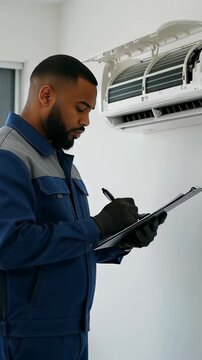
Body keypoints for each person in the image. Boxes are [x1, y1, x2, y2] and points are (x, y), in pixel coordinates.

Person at [0, 54, 166, 360]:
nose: (87, 121)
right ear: (46, 95)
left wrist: (121, 238)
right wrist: (98, 225)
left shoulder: (61, 162)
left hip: (74, 335)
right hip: (25, 342)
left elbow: (63, 246)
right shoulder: (8, 155)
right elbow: (9, 245)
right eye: (81, 108)